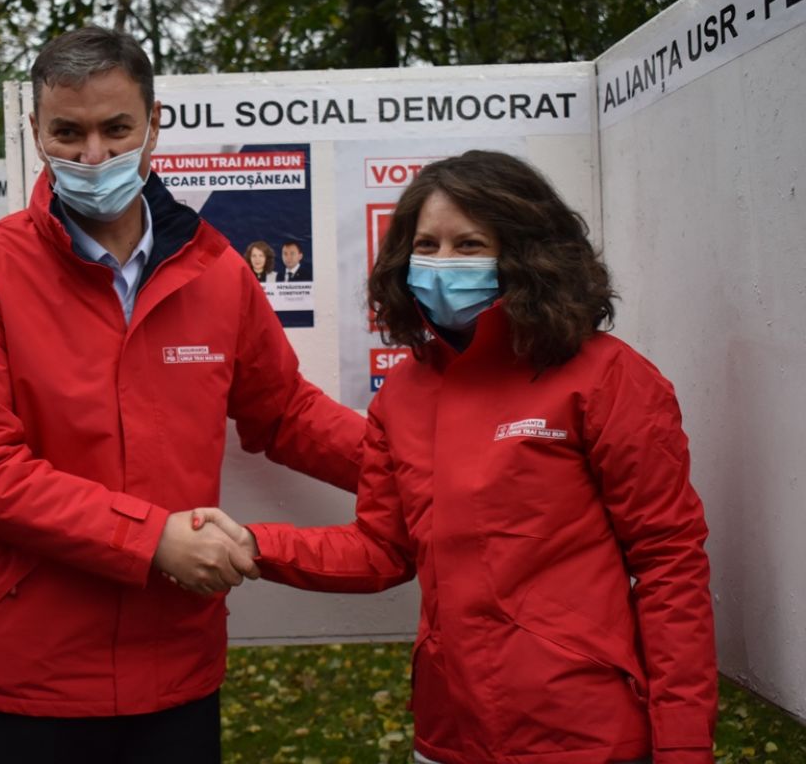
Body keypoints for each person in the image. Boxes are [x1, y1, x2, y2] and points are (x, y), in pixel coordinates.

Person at [0, 26, 364, 764]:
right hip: (34, 675)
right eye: (68, 133)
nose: (94, 156)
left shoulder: (215, 270)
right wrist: (151, 539)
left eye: (116, 128)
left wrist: (418, 465)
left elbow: (285, 412)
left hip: (176, 667)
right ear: (35, 131)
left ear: (155, 123)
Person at [195, 150, 717, 764]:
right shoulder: (405, 393)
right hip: (447, 734)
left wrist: (683, 744)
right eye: (427, 245)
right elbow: (382, 548)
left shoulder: (608, 378)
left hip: (582, 735)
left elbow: (669, 566)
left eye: (469, 245)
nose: (443, 263)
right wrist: (257, 545)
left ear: (526, 254)